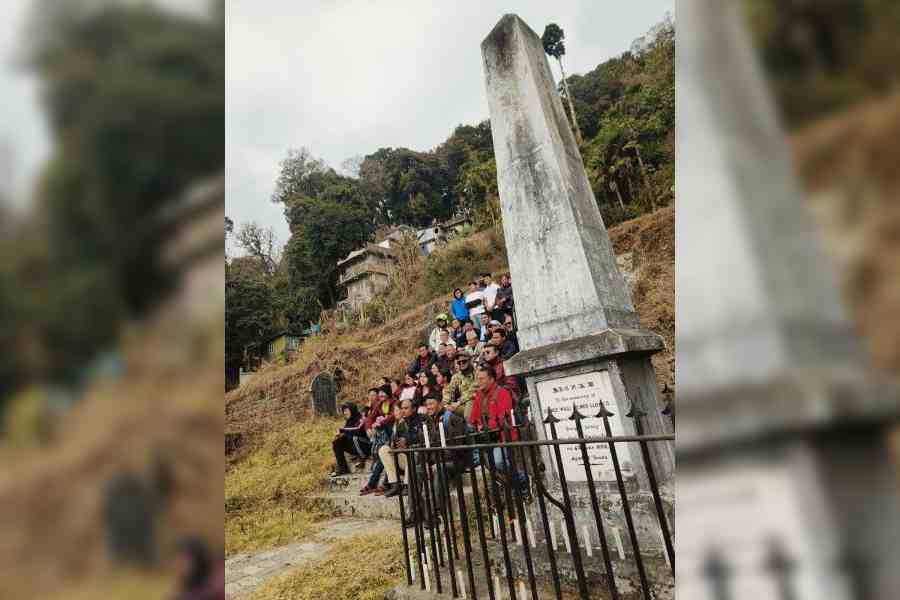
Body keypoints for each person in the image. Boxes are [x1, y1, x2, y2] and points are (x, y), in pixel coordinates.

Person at [469, 365, 528, 492]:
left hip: (503, 436)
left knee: (498, 463)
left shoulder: (502, 393)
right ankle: (516, 487)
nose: (478, 382)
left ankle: (524, 480)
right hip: (487, 437)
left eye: (481, 379)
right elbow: (473, 417)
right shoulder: (479, 395)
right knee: (491, 466)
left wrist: (484, 426)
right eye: (477, 379)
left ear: (491, 379)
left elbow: (503, 419)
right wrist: (476, 425)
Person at [360, 388, 396, 495]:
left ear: (388, 393)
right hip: (383, 435)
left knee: (383, 455)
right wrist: (368, 429)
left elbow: (394, 415)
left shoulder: (395, 403)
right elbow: (369, 418)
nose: (381, 395)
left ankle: (379, 484)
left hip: (393, 433)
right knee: (382, 456)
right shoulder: (379, 405)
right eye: (379, 393)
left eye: (383, 392)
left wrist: (380, 423)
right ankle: (377, 484)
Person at [331, 401, 366, 476]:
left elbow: (357, 430)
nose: (345, 413)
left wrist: (343, 431)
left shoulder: (360, 418)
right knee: (336, 442)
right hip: (355, 446)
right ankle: (343, 468)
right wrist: (340, 435)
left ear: (352, 409)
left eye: (346, 410)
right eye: (344, 411)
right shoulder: (349, 421)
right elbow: (346, 431)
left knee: (352, 438)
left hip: (364, 445)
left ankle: (361, 458)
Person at [443, 353, 478, 420]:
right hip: (462, 404)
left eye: (464, 361)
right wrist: (446, 404)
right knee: (447, 413)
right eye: (459, 362)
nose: (461, 364)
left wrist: (458, 402)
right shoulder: (456, 376)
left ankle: (471, 429)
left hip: (476, 401)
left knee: (469, 404)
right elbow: (449, 390)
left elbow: (472, 392)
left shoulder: (477, 373)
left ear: (470, 361)